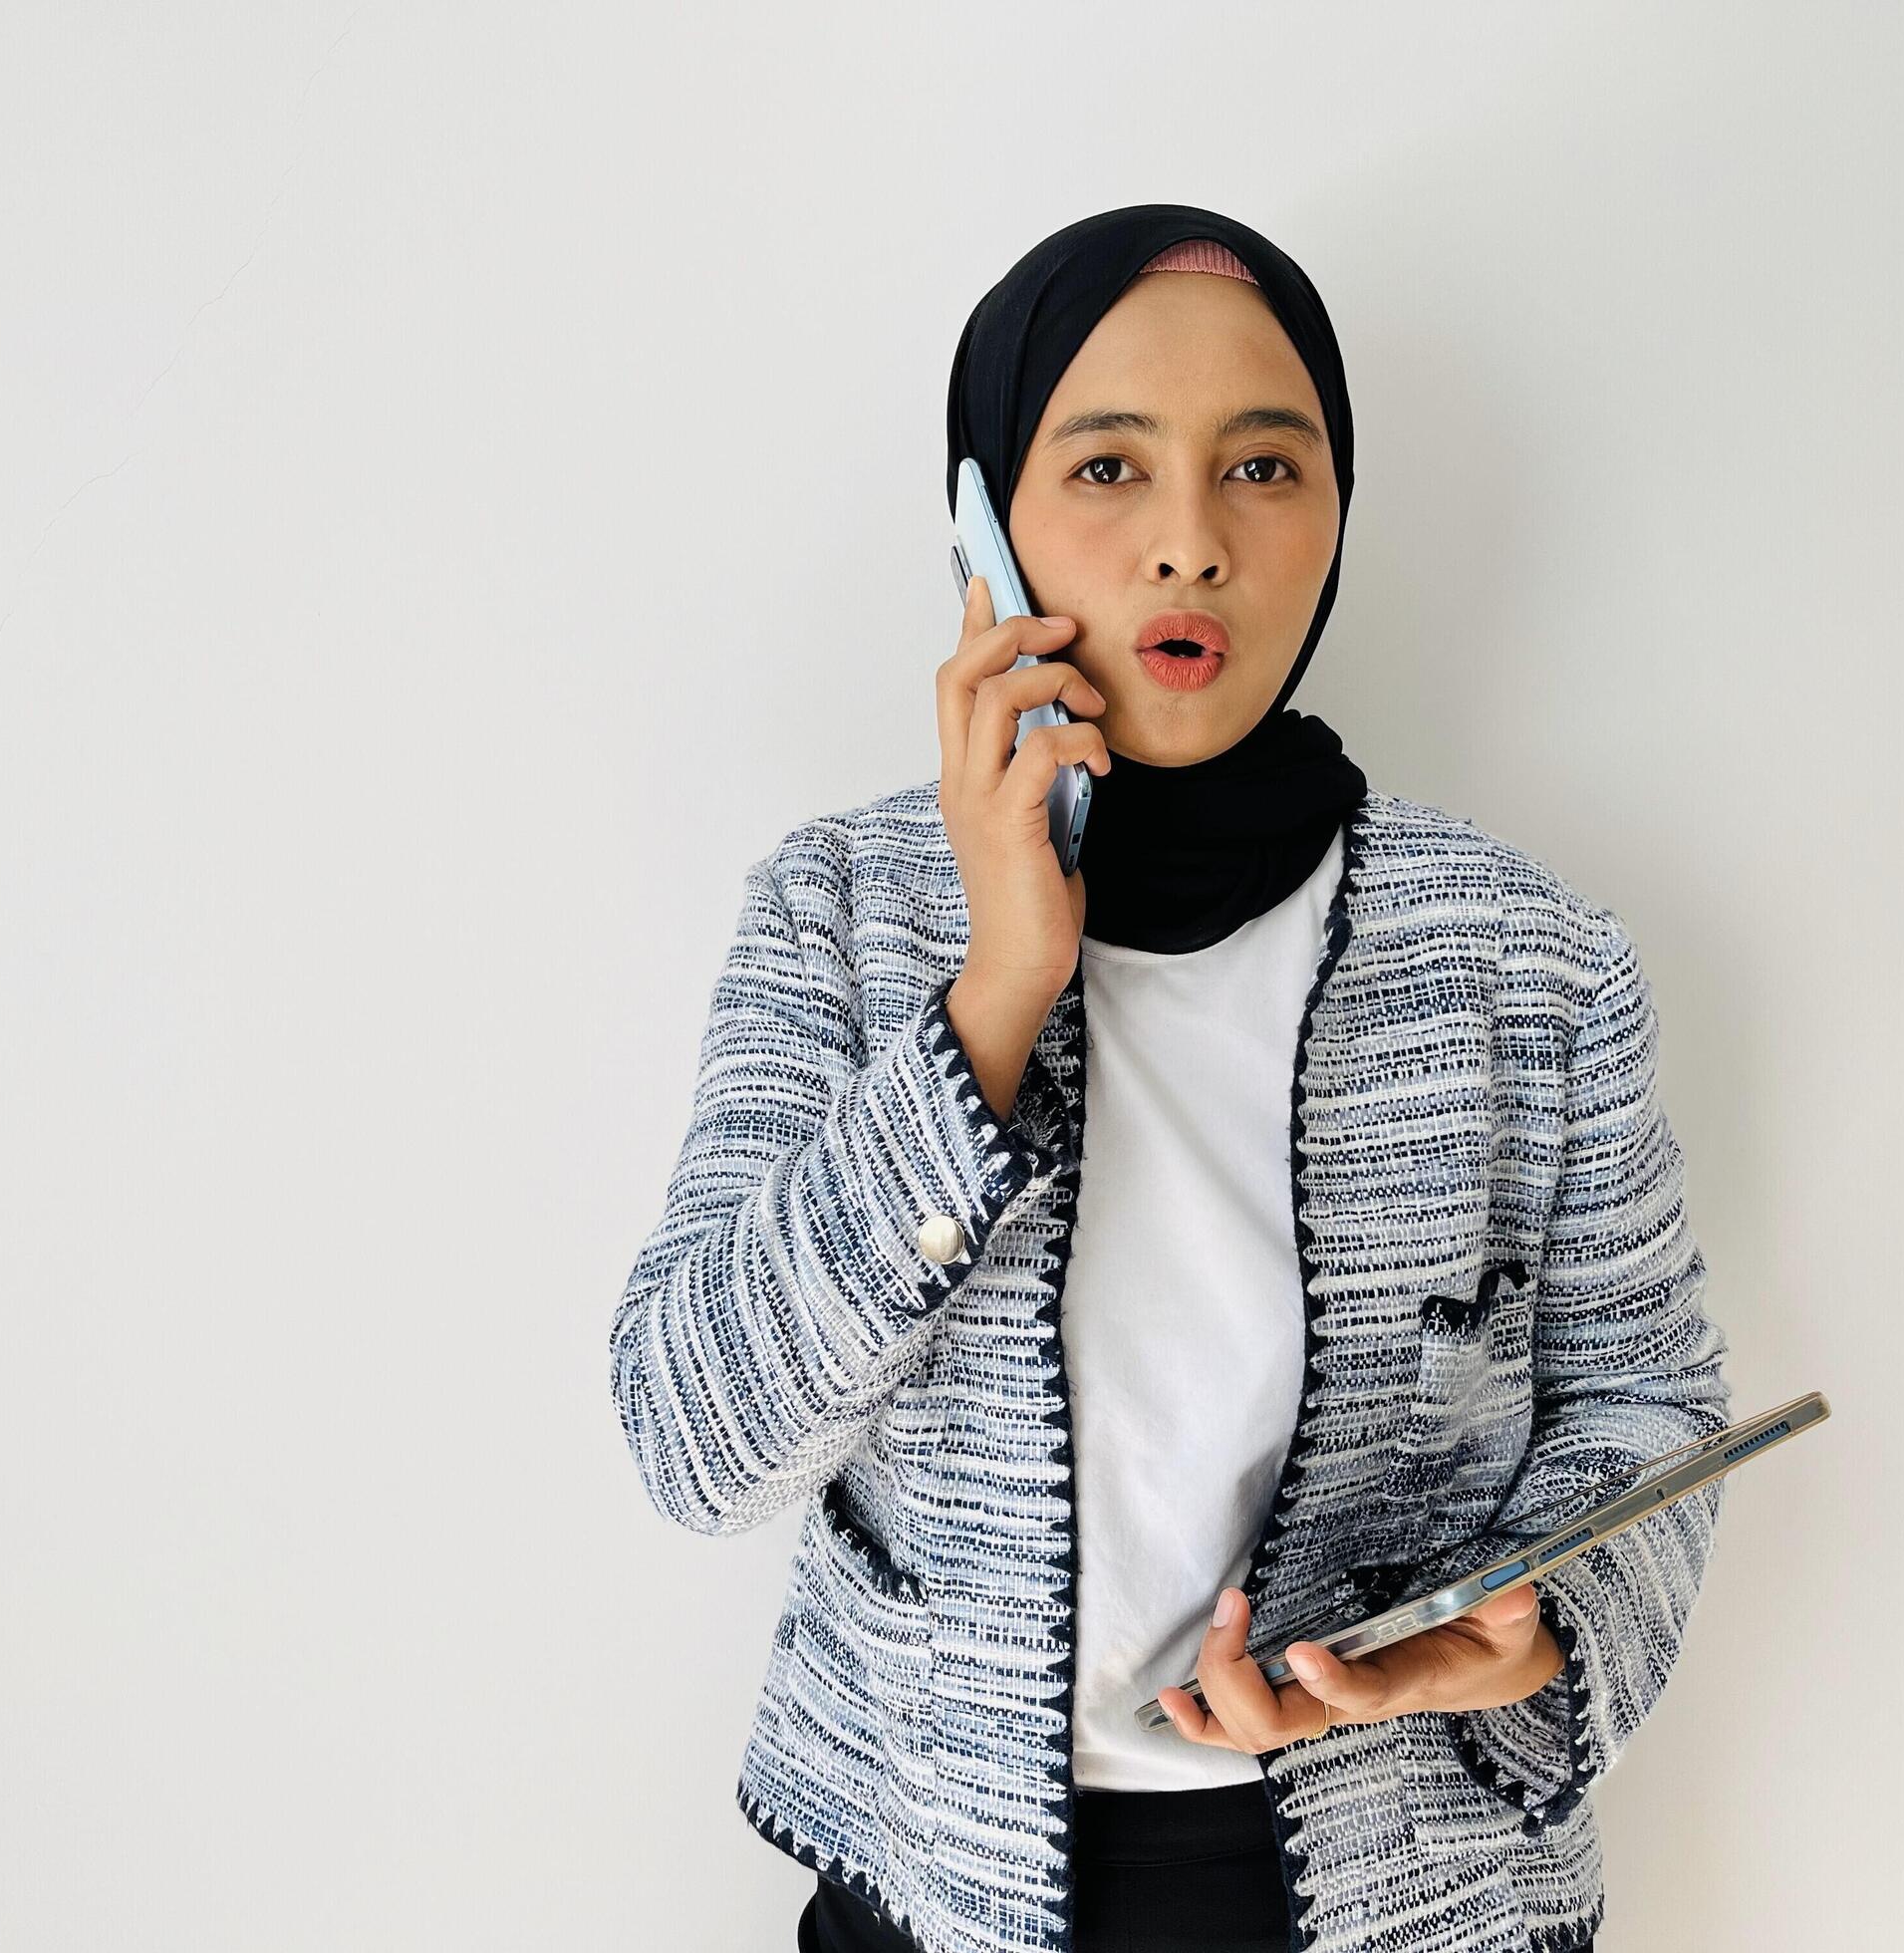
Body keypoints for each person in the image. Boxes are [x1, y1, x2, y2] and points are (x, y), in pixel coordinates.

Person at [610, 203, 1733, 1953]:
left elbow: (1644, 1406)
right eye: (1107, 467)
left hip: (1416, 1897)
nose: (1190, 545)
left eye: (1264, 469)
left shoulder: (1533, 963)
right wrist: (998, 989)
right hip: (940, 1883)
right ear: (984, 521)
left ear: (1337, 514)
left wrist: (1532, 1625)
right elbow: (696, 1439)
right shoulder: (840, 914)